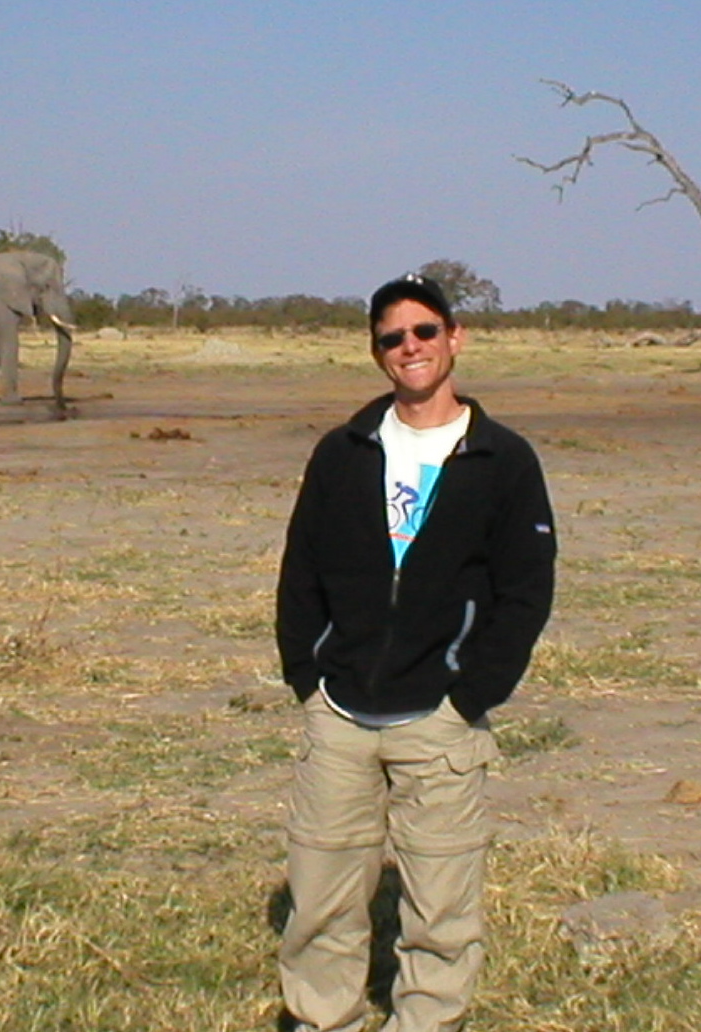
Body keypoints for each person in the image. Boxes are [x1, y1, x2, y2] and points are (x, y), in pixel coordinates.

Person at [276, 273, 557, 1032]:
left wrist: (472, 693)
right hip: (340, 714)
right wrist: (307, 675)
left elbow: (526, 590)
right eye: (392, 338)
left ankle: (428, 1020)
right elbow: (300, 569)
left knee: (440, 909)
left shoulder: (504, 459)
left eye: (425, 331)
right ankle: (322, 1018)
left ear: (454, 338)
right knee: (321, 899)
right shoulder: (342, 451)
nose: (411, 347)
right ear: (378, 353)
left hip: (440, 719)